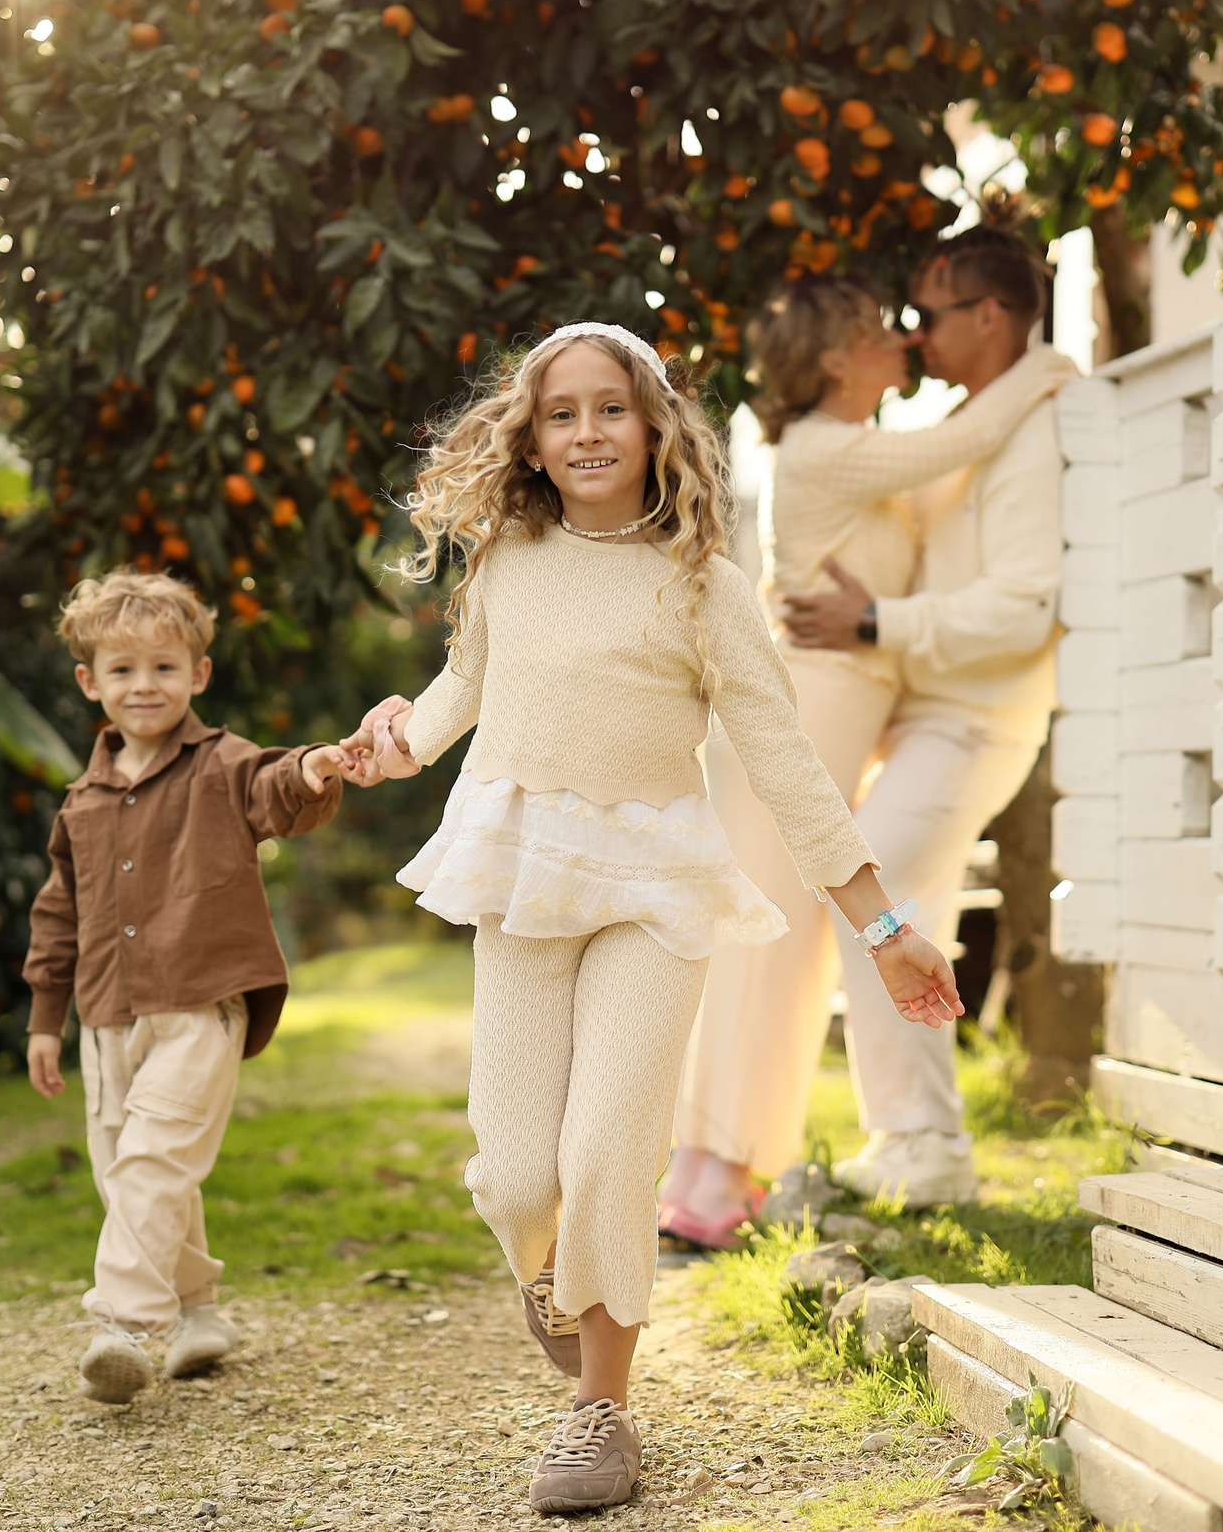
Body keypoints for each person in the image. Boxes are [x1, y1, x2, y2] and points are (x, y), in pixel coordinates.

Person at [341, 322, 961, 1515]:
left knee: (606, 1154)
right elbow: (463, 689)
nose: (586, 432)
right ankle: (551, 1271)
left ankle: (600, 1410)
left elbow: (785, 764)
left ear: (653, 425)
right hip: (524, 876)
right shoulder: (507, 562)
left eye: (609, 408)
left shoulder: (704, 584)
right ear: (532, 438)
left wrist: (885, 933)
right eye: (560, 413)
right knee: (515, 1177)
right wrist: (391, 744)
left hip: (653, 888)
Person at [658, 276, 1060, 1247]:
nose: (905, 340)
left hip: (834, 705)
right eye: (881, 330)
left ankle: (716, 1171)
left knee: (779, 933)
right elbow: (966, 438)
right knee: (769, 935)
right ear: (836, 359)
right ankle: (712, 1180)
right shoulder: (826, 447)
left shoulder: (853, 449)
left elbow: (949, 466)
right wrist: (1048, 364)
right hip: (809, 706)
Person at [778, 226, 1078, 1209]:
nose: (913, 335)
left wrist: (874, 621)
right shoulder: (971, 424)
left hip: (979, 720)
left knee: (877, 894)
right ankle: (922, 1142)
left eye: (927, 314)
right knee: (904, 908)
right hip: (926, 717)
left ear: (987, 315)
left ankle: (919, 1141)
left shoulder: (1033, 434)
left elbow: (1025, 609)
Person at [20, 569, 363, 1404]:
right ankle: (200, 1312)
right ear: (90, 682)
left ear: (198, 674)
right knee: (132, 1171)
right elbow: (58, 912)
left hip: (202, 1003)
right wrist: (44, 1018)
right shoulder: (81, 803)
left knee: (153, 1159)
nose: (145, 685)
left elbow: (276, 788)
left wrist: (314, 767)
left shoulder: (222, 763)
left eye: (164, 667)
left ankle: (123, 1325)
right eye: (123, 669)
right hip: (107, 1013)